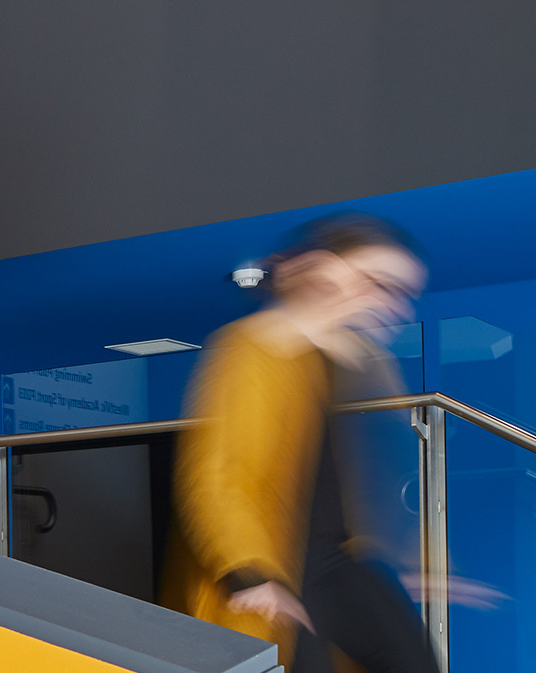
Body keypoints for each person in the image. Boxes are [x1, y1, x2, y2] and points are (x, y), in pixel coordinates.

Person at [164, 216, 445, 672]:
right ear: (327, 270)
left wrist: (418, 561)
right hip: (273, 563)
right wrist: (247, 574)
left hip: (338, 563)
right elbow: (216, 475)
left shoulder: (351, 363)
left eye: (401, 291)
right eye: (378, 282)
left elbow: (378, 477)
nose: (392, 303)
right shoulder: (251, 348)